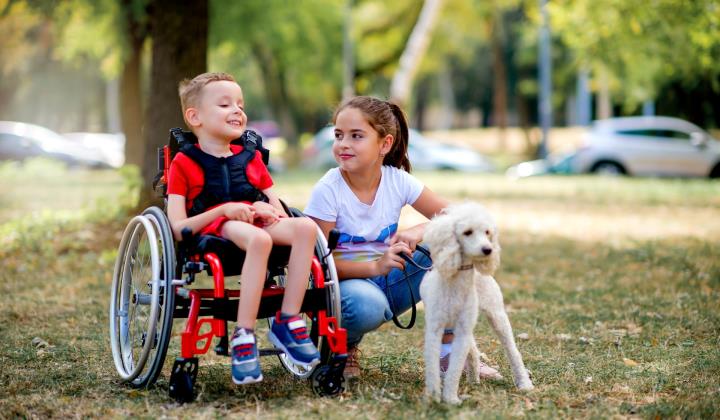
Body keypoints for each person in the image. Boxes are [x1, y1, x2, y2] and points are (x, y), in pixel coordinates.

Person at [304, 96, 501, 380]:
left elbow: (459, 217)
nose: (343, 144)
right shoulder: (328, 189)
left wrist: (418, 231)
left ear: (385, 144)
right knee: (367, 305)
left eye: (356, 136)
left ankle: (452, 353)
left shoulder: (397, 180)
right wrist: (374, 267)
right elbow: (317, 264)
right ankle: (344, 348)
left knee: (450, 240)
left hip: (389, 279)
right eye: (338, 135)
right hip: (344, 287)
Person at [166, 72, 320, 385]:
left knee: (305, 228)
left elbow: (278, 211)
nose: (237, 110)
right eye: (225, 104)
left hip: (254, 223)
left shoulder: (251, 159)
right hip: (214, 230)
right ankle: (244, 335)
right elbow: (178, 226)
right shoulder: (183, 162)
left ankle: (288, 319)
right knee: (259, 239)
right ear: (194, 117)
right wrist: (223, 211)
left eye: (240, 104)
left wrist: (266, 209)